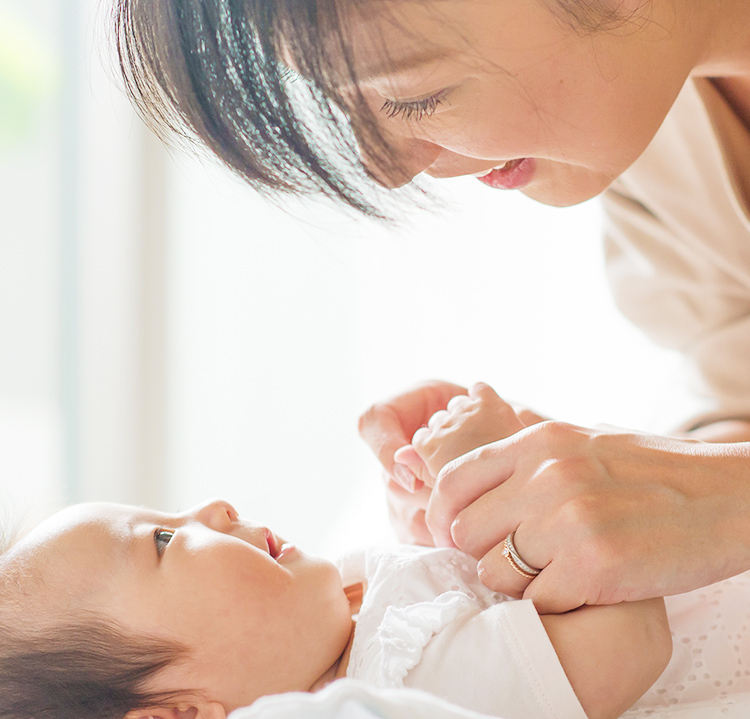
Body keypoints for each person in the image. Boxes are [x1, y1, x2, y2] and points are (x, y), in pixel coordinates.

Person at [113, 0, 750, 612]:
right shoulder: (657, 105)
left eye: (415, 97)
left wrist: (721, 499)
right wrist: (551, 480)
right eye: (344, 103)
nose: (385, 168)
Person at [0, 387, 672, 719]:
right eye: (165, 539)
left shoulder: (341, 615)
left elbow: (465, 594)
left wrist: (438, 517)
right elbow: (628, 643)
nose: (212, 508)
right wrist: (512, 465)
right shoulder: (397, 690)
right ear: (179, 715)